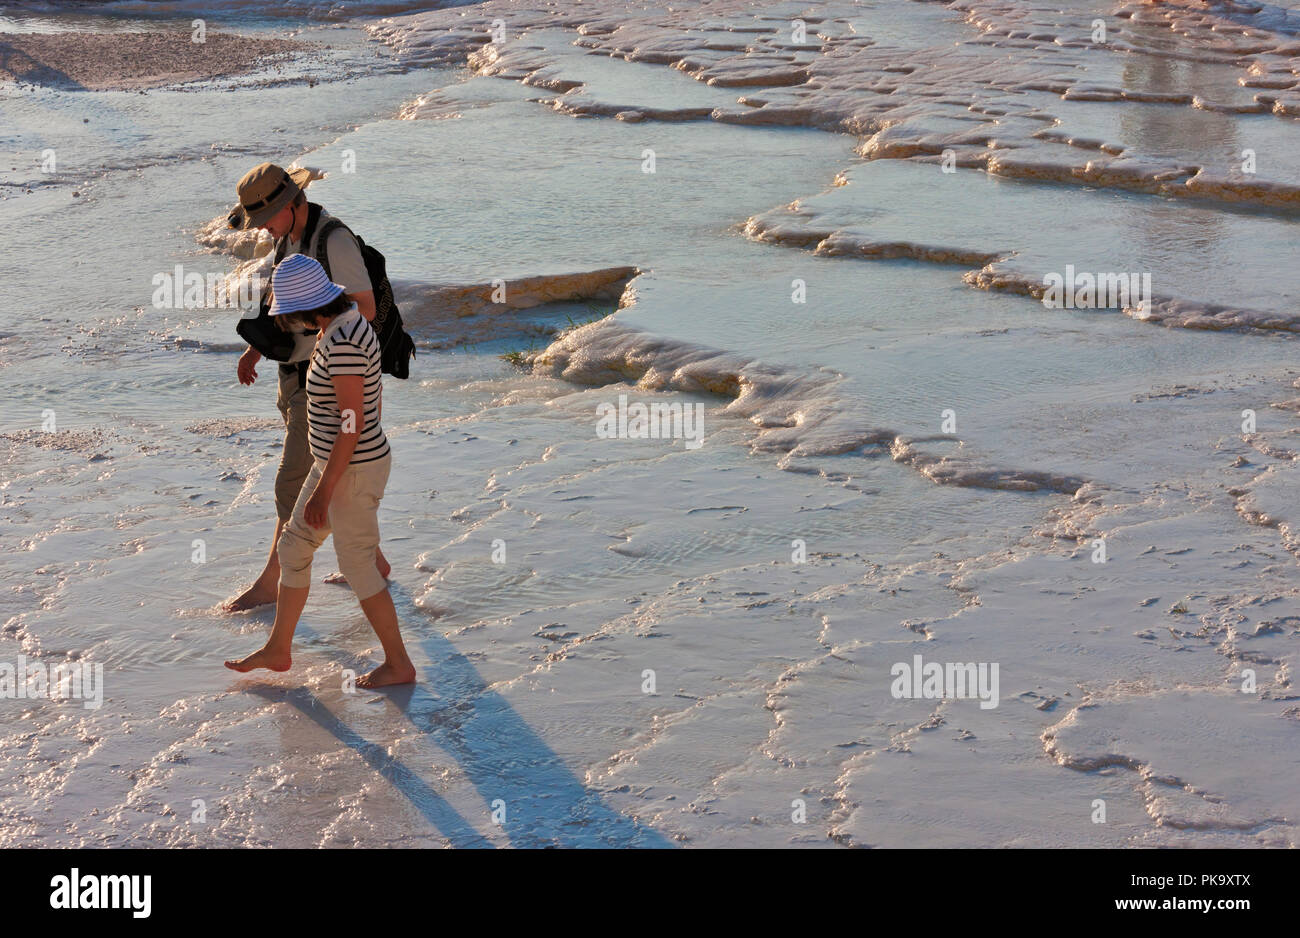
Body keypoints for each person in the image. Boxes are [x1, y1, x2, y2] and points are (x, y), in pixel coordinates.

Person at [225, 254, 415, 688]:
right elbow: (370, 404)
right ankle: (279, 649)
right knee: (294, 550)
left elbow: (353, 421)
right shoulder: (343, 326)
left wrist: (324, 491)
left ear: (306, 307)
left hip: (349, 468)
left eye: (287, 314)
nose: (287, 322)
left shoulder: (343, 340)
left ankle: (399, 664)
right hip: (339, 464)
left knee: (358, 567)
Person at [223, 162, 389, 612]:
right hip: (296, 372)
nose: (263, 229)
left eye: (266, 219)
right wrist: (257, 349)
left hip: (325, 378)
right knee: (321, 472)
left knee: (293, 481)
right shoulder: (289, 237)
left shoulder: (333, 239)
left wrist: (324, 339)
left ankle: (271, 582)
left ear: (291, 205)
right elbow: (283, 303)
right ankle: (376, 562)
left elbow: (366, 309)